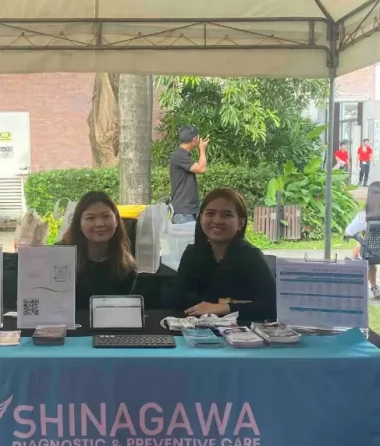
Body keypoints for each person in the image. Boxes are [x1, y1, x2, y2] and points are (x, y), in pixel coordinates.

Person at [163, 188, 276, 322]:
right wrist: (222, 302)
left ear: (240, 223)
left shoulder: (252, 256)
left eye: (227, 215)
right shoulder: (192, 253)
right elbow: (174, 297)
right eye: (210, 213)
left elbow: (272, 306)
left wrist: (226, 308)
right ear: (201, 219)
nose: (217, 220)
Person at [57, 191, 137, 309]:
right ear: (79, 223)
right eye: (90, 218)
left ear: (116, 220)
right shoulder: (59, 256)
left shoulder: (126, 266)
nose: (99, 224)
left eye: (106, 216)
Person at [345, 181, 380, 300]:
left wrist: (360, 237)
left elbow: (348, 232)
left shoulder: (364, 215)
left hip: (373, 254)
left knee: (368, 256)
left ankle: (374, 286)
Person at [169, 126, 208, 223]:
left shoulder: (182, 155)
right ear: (194, 139)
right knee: (186, 239)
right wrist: (202, 149)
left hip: (188, 211)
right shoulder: (179, 155)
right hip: (183, 212)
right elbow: (202, 168)